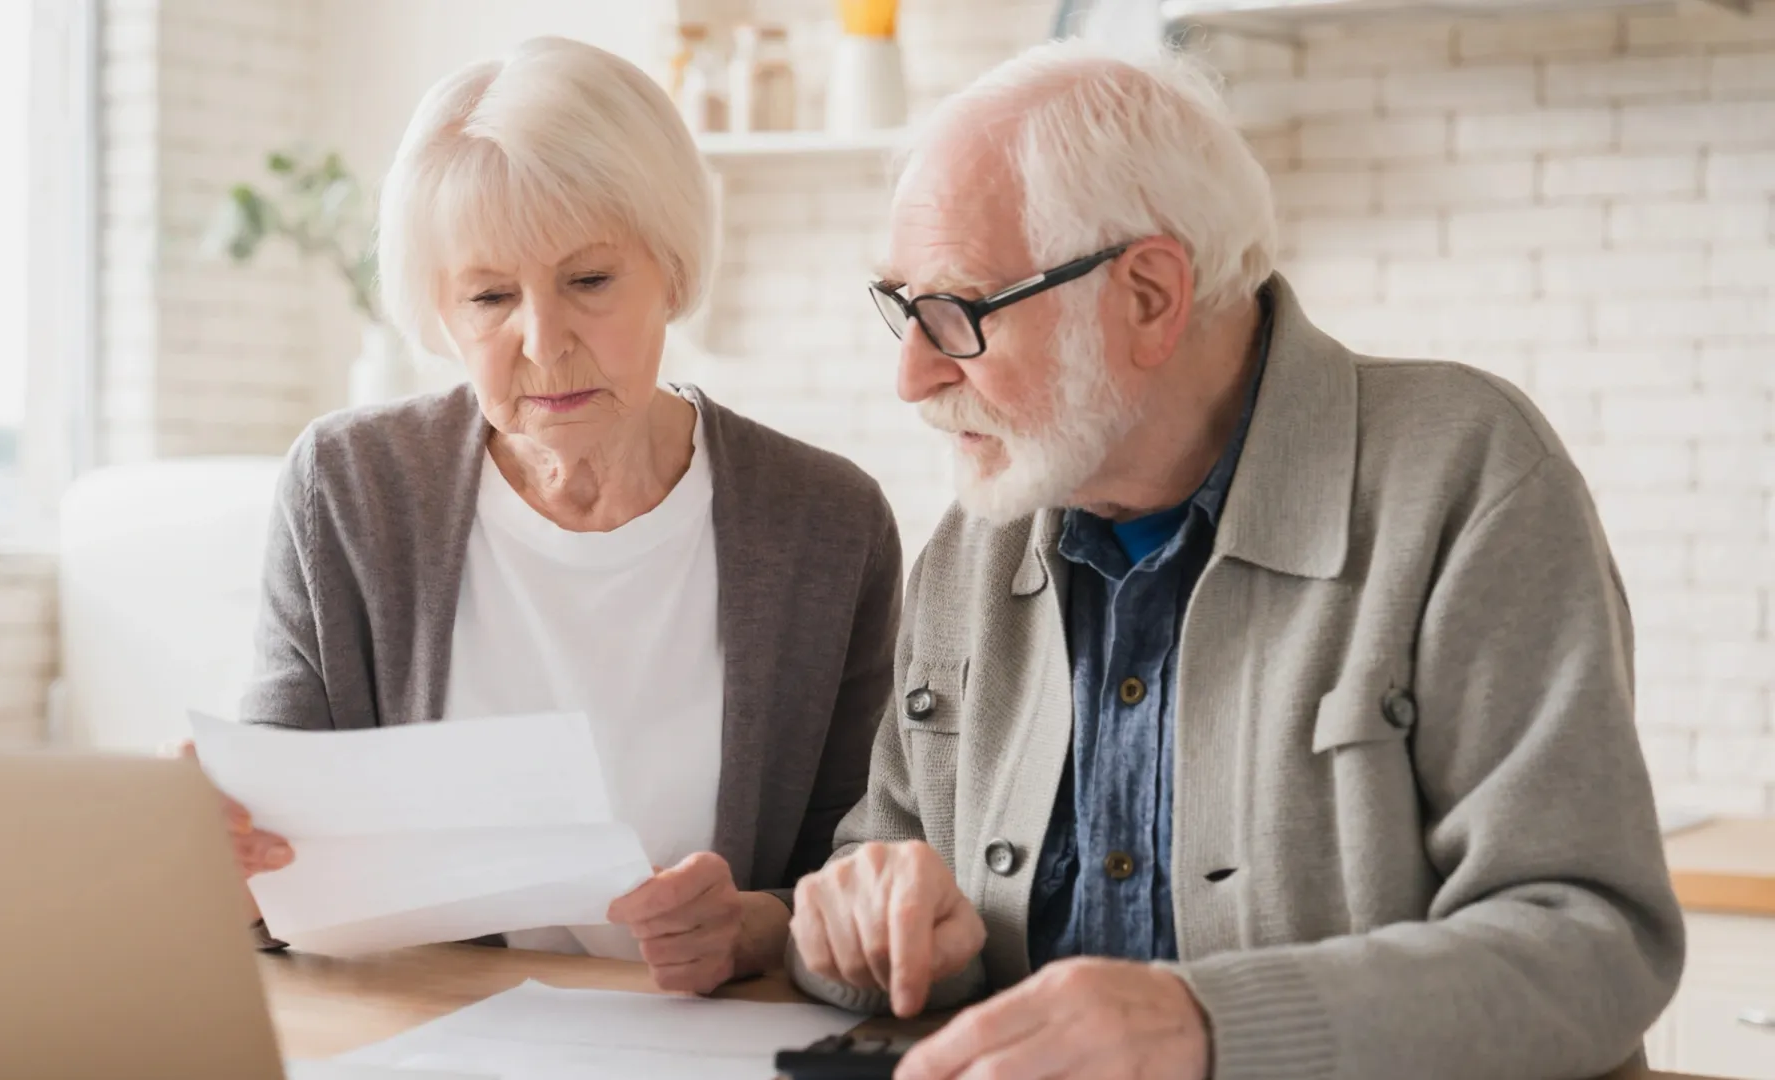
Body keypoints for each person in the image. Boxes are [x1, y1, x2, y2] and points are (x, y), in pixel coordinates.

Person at [785, 39, 1685, 1080]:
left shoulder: (1464, 476)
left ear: (1151, 297)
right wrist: (860, 927)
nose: (912, 376)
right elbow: (879, 867)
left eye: (958, 311)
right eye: (902, 307)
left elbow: (1594, 948)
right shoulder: (978, 538)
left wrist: (1208, 1025)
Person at [201, 36, 902, 995]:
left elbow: (866, 863)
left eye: (590, 281)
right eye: (490, 296)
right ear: (442, 314)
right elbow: (275, 870)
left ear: (672, 267)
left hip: (706, 1041)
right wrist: (218, 854)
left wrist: (754, 927)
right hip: (428, 1038)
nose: (543, 342)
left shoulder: (827, 522)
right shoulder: (349, 489)